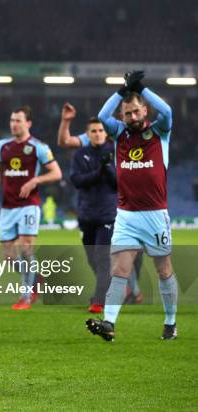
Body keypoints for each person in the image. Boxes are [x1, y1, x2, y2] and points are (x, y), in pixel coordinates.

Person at [86, 71, 178, 341]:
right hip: (126, 216)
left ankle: (170, 323)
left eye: (136, 112)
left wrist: (141, 88)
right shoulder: (120, 135)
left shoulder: (159, 131)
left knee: (163, 270)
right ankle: (109, 324)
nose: (132, 117)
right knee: (120, 271)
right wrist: (121, 90)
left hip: (155, 216)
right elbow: (103, 117)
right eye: (127, 114)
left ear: (144, 110)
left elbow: (168, 110)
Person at [58, 103, 144, 309]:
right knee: (93, 260)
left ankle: (99, 301)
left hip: (109, 214)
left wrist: (108, 168)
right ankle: (116, 287)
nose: (97, 134)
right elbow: (77, 180)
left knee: (103, 258)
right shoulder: (80, 154)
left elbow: (119, 184)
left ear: (106, 132)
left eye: (100, 130)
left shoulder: (117, 151)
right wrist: (100, 172)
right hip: (86, 214)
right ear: (88, 134)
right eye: (93, 131)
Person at [0, 106, 62, 310]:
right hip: (8, 206)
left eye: (18, 120)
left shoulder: (39, 147)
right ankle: (36, 277)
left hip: (29, 205)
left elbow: (56, 173)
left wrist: (35, 180)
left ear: (28, 123)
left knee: (25, 249)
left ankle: (25, 297)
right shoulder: (3, 145)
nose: (14, 124)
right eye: (12, 120)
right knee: (8, 256)